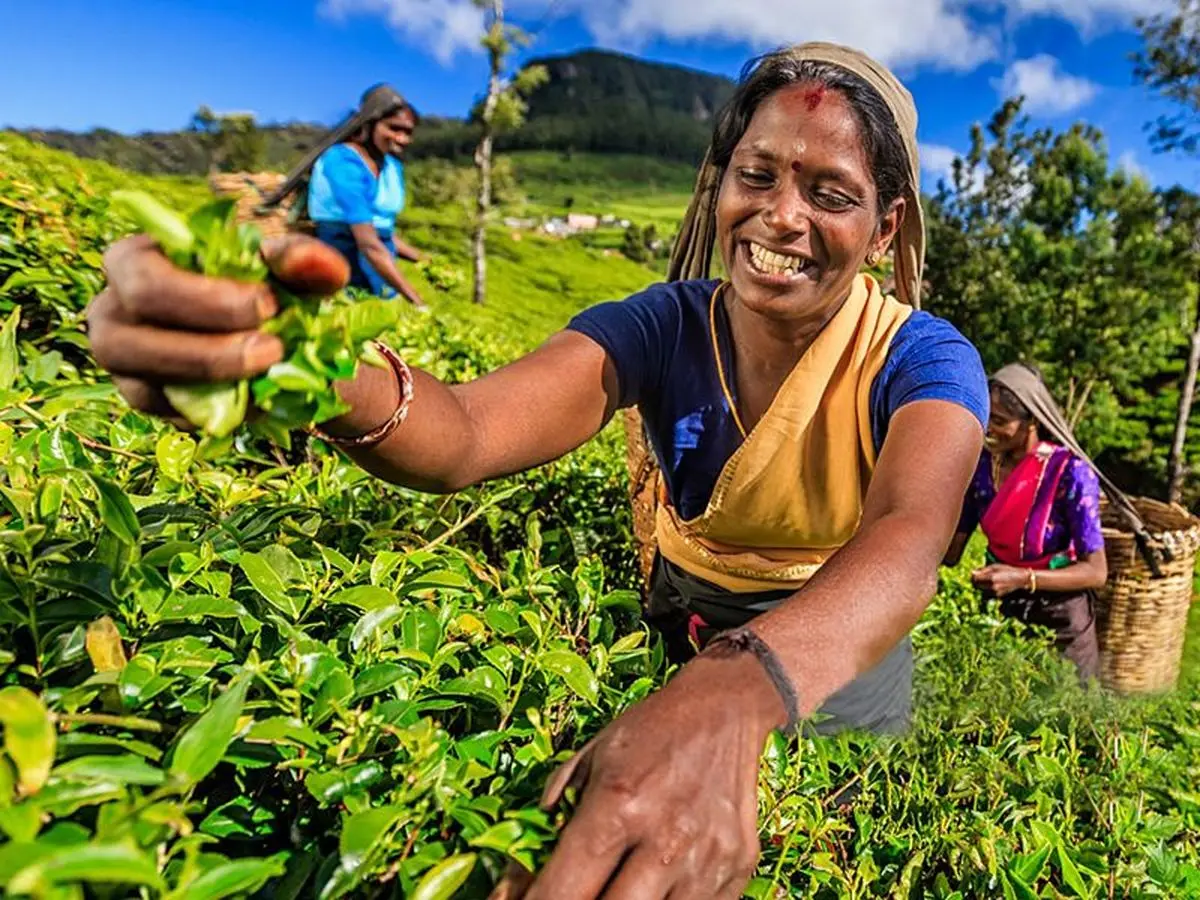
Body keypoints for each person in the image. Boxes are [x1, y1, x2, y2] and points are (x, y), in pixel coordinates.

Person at [87, 42, 988, 900]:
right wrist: (301, 365)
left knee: (838, 829)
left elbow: (907, 537)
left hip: (834, 645)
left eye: (830, 193)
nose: (781, 216)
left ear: (884, 228)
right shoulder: (664, 324)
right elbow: (469, 430)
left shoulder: (922, 360)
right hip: (685, 606)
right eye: (757, 175)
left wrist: (733, 690)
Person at [944, 364, 1107, 682]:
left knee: (1065, 718)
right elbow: (951, 551)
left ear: (1031, 421)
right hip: (1001, 612)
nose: (988, 428)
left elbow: (1096, 572)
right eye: (987, 416)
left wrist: (1022, 578)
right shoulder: (981, 467)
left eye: (1001, 421)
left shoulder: (1069, 473)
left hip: (1061, 622)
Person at [265, 84, 427, 306]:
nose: (402, 138)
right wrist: (417, 302)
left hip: (380, 269)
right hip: (344, 265)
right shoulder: (342, 161)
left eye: (408, 132)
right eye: (394, 128)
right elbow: (368, 243)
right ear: (371, 124)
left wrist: (425, 262)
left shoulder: (391, 166)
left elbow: (381, 230)